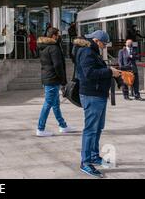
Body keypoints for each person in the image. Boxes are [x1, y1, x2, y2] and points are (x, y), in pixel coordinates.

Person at [75, 30, 121, 178]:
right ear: (96, 40)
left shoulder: (92, 51)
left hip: (98, 94)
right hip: (91, 95)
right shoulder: (87, 52)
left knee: (98, 128)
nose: (104, 46)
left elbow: (95, 70)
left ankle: (94, 156)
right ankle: (85, 162)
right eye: (103, 43)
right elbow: (89, 73)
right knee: (90, 129)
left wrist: (109, 70)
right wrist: (109, 72)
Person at [36, 28, 76, 137]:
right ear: (53, 36)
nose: (59, 37)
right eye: (58, 35)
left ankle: (63, 126)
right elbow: (58, 65)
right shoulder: (53, 48)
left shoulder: (44, 47)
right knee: (48, 103)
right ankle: (40, 128)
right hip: (52, 79)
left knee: (55, 104)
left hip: (48, 78)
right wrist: (63, 80)